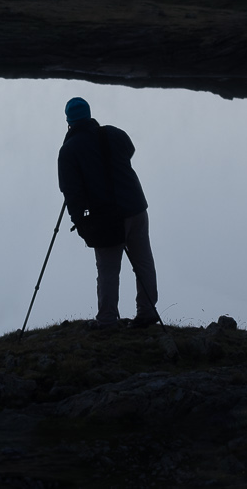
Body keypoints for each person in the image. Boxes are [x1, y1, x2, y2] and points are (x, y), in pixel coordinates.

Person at [56, 95, 158, 327]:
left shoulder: (69, 150)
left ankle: (108, 319)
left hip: (107, 217)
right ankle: (148, 312)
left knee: (109, 268)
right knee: (143, 261)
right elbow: (129, 151)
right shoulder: (114, 134)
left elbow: (71, 191)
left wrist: (80, 222)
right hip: (136, 206)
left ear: (69, 121)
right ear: (89, 115)